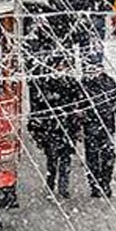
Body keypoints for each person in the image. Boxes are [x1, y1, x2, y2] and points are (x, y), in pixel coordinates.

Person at [28, 64, 81, 198]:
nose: (61, 71)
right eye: (59, 68)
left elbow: (78, 104)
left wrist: (76, 124)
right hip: (51, 130)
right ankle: (51, 186)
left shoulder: (72, 84)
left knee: (65, 160)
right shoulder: (45, 84)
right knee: (52, 161)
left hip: (67, 128)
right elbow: (38, 108)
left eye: (64, 68)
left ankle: (63, 188)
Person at [80, 62, 116, 198]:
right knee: (92, 158)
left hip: (107, 126)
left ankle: (105, 183)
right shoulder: (83, 84)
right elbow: (78, 105)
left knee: (108, 156)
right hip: (90, 127)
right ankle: (94, 185)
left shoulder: (109, 82)